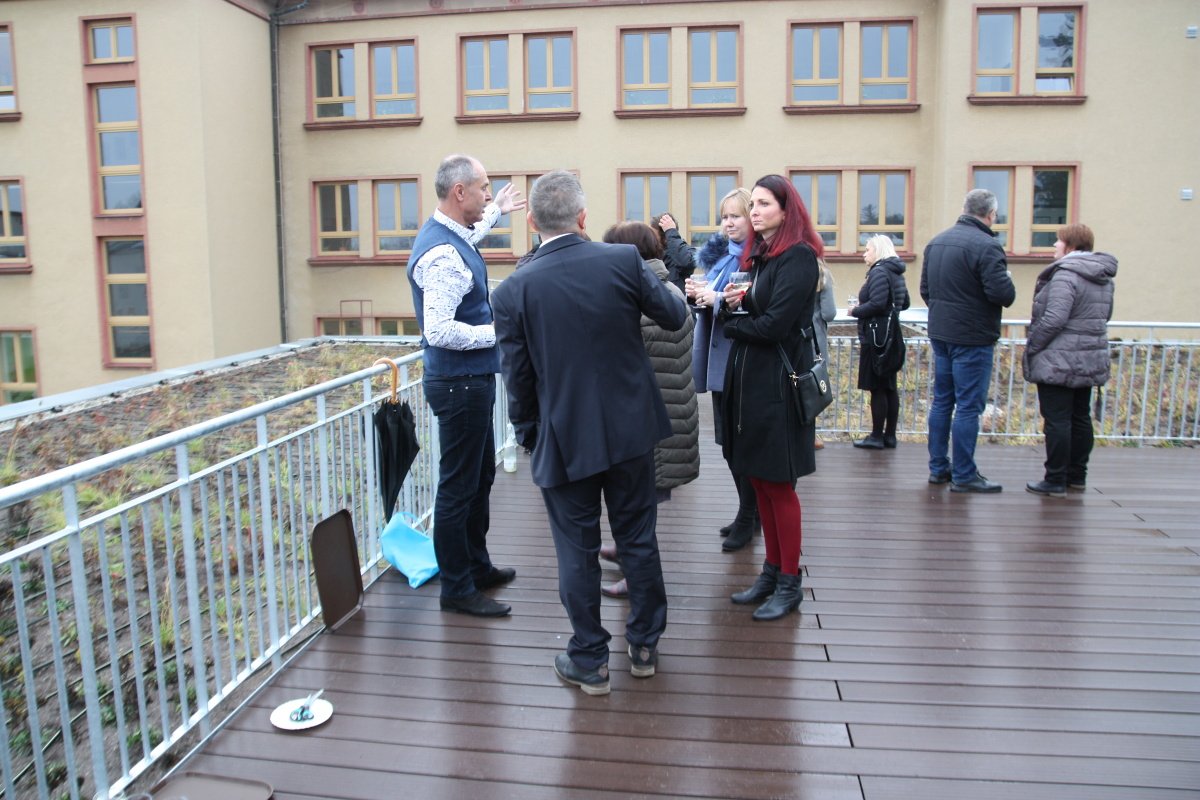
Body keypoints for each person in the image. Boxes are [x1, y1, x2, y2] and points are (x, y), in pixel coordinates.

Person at [491, 170, 687, 695]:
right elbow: (674, 316)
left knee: (576, 552)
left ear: (532, 223)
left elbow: (518, 378)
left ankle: (590, 660)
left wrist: (529, 433)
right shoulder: (623, 261)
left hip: (563, 436)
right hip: (631, 428)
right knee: (637, 539)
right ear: (583, 217)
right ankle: (643, 646)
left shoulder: (512, 291)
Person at [406, 154, 525, 617]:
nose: (488, 194)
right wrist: (499, 333)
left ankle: (477, 566)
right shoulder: (442, 256)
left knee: (480, 477)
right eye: (484, 188)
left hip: (468, 382)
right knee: (458, 487)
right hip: (459, 385)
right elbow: (438, 330)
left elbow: (468, 239)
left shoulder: (451, 236)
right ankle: (457, 588)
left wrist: (496, 214)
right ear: (460, 192)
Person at [720, 175, 822, 621]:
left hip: (778, 388)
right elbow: (757, 311)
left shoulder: (798, 257)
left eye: (764, 204)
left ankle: (790, 582)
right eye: (754, 204)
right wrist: (735, 304)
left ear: (786, 209)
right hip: (754, 386)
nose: (754, 211)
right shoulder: (764, 255)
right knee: (760, 481)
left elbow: (775, 325)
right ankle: (771, 572)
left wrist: (733, 323)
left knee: (779, 487)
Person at [598, 221, 699, 598]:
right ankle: (626, 550)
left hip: (651, 419)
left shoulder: (640, 297)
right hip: (672, 411)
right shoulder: (667, 287)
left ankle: (637, 575)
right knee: (639, 500)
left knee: (638, 503)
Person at [920, 188, 1016, 493]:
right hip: (973, 337)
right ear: (991, 214)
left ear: (965, 209)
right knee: (968, 407)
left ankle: (938, 468)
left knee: (942, 401)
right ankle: (964, 474)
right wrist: (1008, 280)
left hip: (941, 333)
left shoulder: (936, 242)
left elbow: (925, 290)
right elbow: (1003, 294)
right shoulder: (988, 246)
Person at [686, 188, 760, 551]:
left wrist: (715, 298)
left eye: (736, 216)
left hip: (741, 363)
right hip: (721, 361)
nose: (728, 223)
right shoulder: (724, 258)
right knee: (729, 444)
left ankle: (749, 515)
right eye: (724, 217)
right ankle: (747, 512)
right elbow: (719, 298)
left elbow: (748, 306)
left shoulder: (755, 259)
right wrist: (698, 293)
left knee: (741, 444)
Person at [1023, 224, 1117, 497]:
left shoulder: (1065, 276)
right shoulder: (1103, 277)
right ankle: (1077, 476)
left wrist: (1034, 345)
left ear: (1071, 246)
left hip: (1058, 359)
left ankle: (1054, 480)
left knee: (1058, 421)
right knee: (1080, 417)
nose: (1054, 245)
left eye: (1058, 241)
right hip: (1089, 356)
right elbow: (1105, 316)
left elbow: (1054, 318)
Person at [850, 234, 911, 450]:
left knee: (877, 387)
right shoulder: (896, 272)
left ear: (878, 251)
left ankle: (876, 436)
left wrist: (855, 310)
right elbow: (905, 303)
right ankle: (890, 436)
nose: (864, 254)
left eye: (867, 250)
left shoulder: (878, 272)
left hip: (876, 337)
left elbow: (876, 303)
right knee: (889, 386)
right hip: (892, 336)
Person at [812, 261, 837, 451]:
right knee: (812, 385)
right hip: (815, 338)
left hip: (789, 335)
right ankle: (811, 433)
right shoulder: (822, 274)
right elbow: (829, 313)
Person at [653, 212, 696, 292]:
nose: (650, 238)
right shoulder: (651, 256)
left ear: (665, 238)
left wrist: (670, 231)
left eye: (653, 235)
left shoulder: (682, 254)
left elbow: (686, 262)